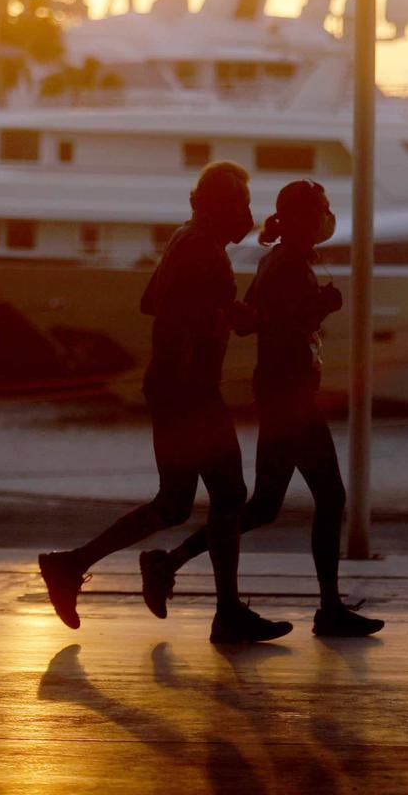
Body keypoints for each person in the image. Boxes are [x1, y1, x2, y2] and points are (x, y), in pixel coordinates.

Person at [37, 162, 292, 645]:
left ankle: (71, 565)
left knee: (175, 504)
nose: (249, 212)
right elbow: (179, 315)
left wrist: (218, 312)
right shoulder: (206, 252)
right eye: (242, 203)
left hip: (171, 390)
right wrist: (223, 320)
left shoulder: (187, 239)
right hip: (191, 393)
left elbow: (152, 302)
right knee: (231, 497)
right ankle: (228, 613)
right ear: (220, 207)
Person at [140, 180, 384, 638]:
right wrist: (319, 308)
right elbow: (275, 325)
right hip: (289, 398)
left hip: (277, 396)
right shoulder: (288, 264)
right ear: (302, 218)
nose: (327, 217)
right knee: (329, 498)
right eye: (321, 210)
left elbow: (251, 321)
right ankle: (329, 608)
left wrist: (309, 310)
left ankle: (167, 562)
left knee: (261, 507)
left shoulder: (278, 260)